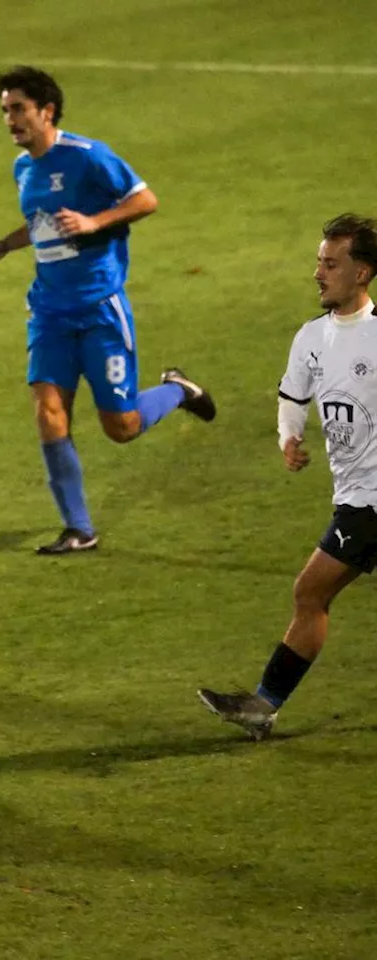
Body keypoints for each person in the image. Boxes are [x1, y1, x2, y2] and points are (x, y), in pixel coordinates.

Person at [0, 65, 217, 555]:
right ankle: (79, 528)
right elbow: (41, 224)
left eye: (18, 109)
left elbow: (145, 199)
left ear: (47, 111)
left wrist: (94, 221)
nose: (9, 120)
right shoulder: (24, 168)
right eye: (5, 110)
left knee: (121, 427)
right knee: (48, 412)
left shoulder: (89, 157)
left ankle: (176, 390)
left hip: (100, 308)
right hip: (49, 312)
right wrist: (5, 245)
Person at [199, 214, 377, 739]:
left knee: (309, 592)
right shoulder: (311, 338)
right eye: (318, 262)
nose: (318, 273)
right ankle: (264, 705)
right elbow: (292, 395)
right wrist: (288, 438)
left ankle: (263, 705)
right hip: (355, 496)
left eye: (331, 264)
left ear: (362, 273)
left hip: (370, 502)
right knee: (311, 596)